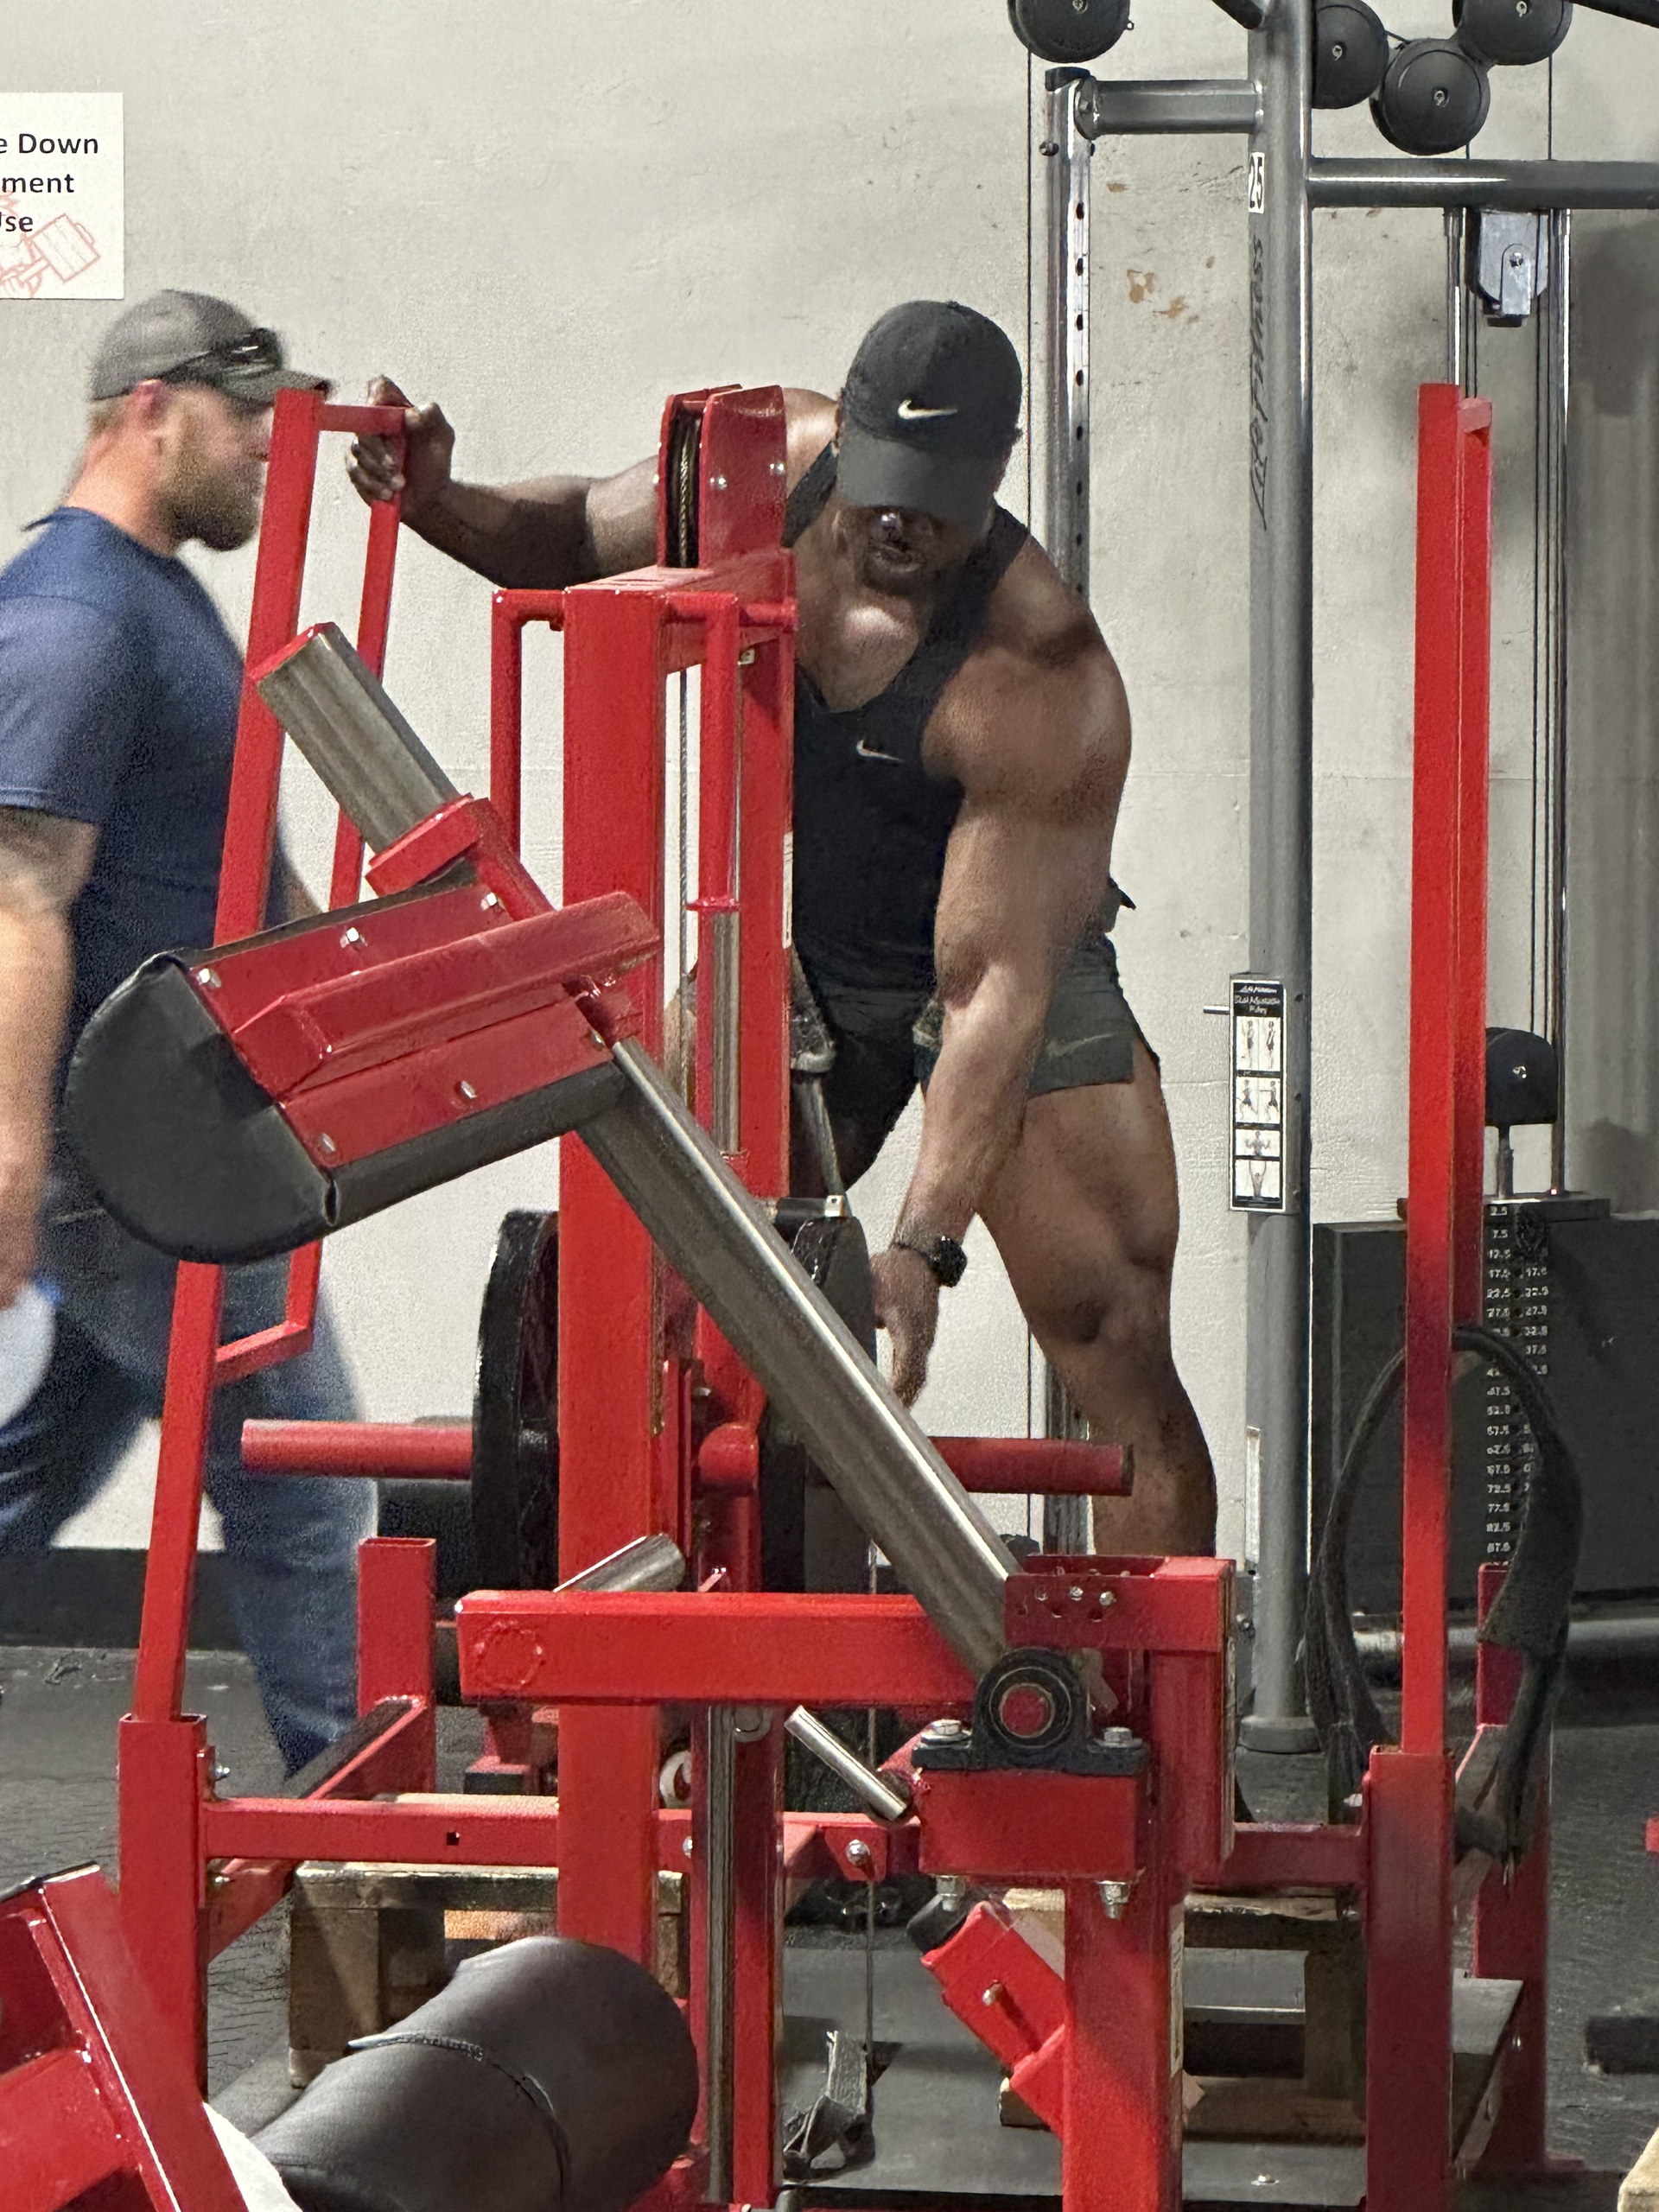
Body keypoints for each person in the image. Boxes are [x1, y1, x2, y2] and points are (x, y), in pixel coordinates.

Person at [349, 300, 1215, 1554]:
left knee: (1110, 1333)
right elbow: (578, 532)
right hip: (804, 957)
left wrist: (920, 1250)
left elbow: (989, 992)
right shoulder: (764, 471)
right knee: (641, 1296)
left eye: (936, 501)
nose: (899, 523)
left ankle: (1153, 1672)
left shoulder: (1043, 675)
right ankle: (663, 1642)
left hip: (1013, 967)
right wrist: (438, 500)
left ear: (996, 476)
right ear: (843, 433)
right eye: (881, 485)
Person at [0, 290, 373, 1770]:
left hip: (171, 1137)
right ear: (149, 412)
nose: (267, 449)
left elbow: (223, 853)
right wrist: (13, 1160)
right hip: (133, 1164)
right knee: (301, 1480)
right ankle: (356, 1819)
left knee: (29, 1475)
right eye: (244, 419)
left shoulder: (154, 593)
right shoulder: (76, 615)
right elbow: (21, 898)